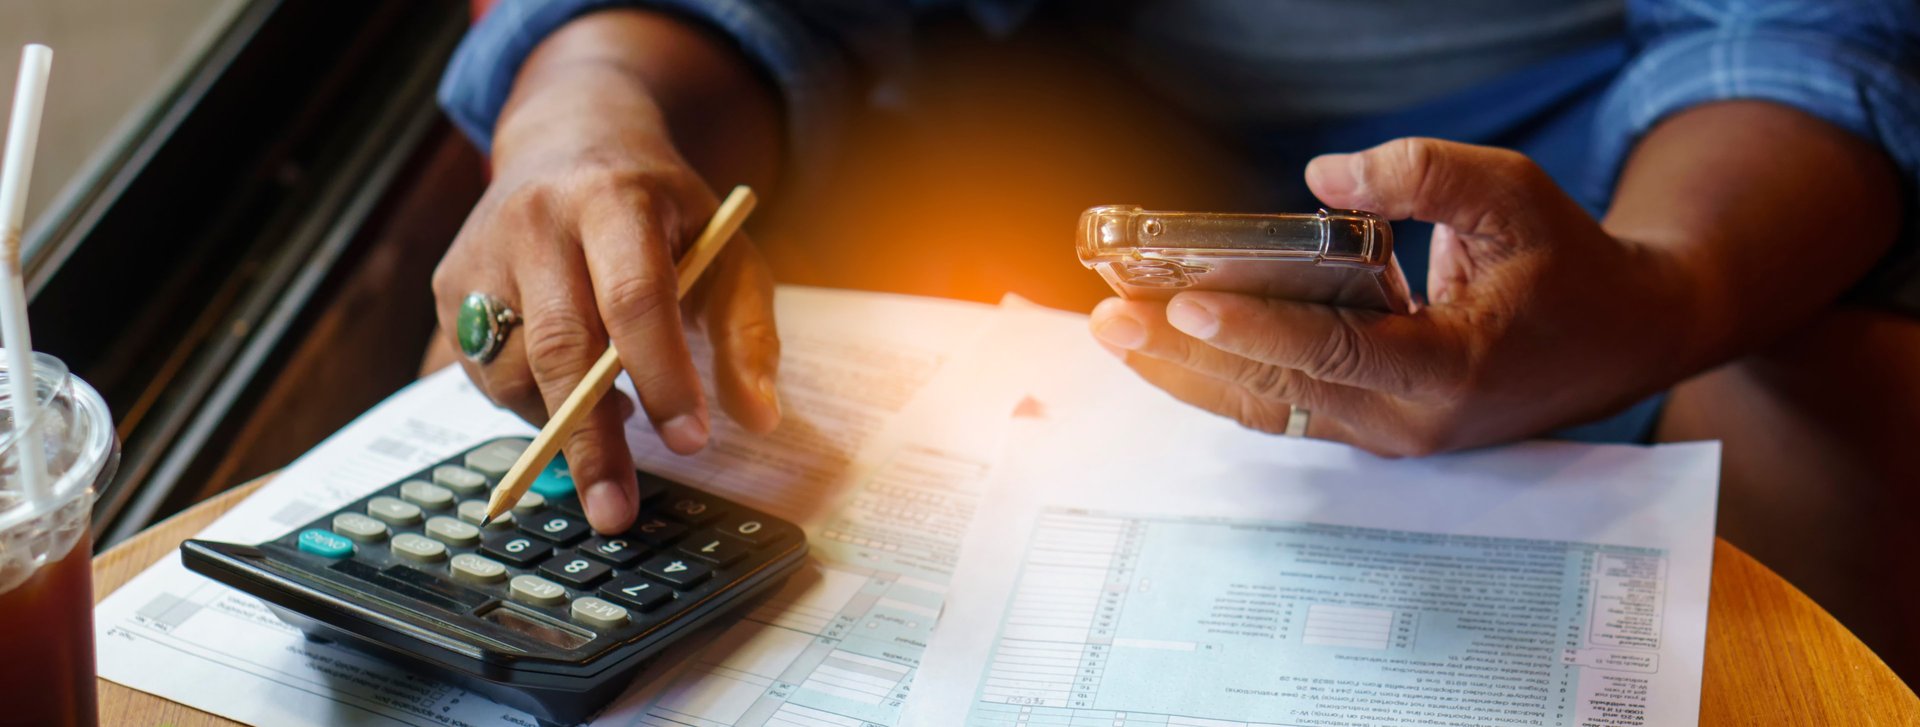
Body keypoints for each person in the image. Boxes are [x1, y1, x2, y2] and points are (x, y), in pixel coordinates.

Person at [432, 0, 1916, 540]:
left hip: (1611, 165)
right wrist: (575, 127)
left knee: (1839, 436)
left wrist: (1664, 292)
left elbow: (1808, 36)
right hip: (1025, 148)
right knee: (533, 345)